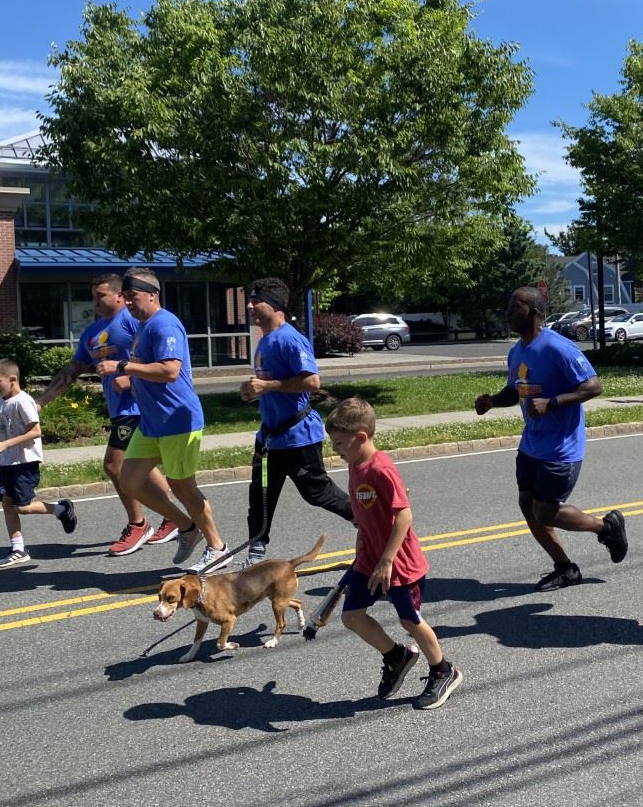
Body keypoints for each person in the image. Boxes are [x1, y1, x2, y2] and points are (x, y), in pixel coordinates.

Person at [474, 286, 628, 591]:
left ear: (532, 311)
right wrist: (492, 401)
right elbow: (513, 390)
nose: (507, 312)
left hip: (561, 448)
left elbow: (593, 387)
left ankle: (607, 527)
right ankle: (565, 568)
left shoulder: (559, 347)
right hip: (531, 444)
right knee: (526, 504)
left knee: (545, 511)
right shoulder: (517, 351)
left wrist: (552, 402)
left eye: (513, 307)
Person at [325, 397, 463, 710]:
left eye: (340, 443)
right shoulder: (355, 464)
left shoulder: (380, 469)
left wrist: (387, 560)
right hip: (369, 559)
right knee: (352, 616)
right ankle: (395, 656)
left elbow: (404, 516)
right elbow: (366, 511)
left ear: (361, 437)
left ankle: (444, 670)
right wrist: (362, 540)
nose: (336, 450)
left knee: (410, 621)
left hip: (398, 563)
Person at [94, 267, 227, 573]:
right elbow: (150, 370)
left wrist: (123, 366)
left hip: (177, 420)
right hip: (152, 423)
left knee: (183, 488)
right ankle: (186, 526)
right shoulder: (143, 327)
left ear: (152, 295)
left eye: (133, 296)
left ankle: (218, 547)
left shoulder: (164, 323)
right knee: (129, 481)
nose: (127, 302)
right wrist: (132, 380)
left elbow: (169, 370)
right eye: (124, 297)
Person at [37, 273, 181, 556]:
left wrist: (130, 377)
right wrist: (42, 401)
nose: (95, 301)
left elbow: (160, 359)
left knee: (114, 466)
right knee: (144, 467)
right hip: (119, 410)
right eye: (93, 296)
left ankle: (138, 524)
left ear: (119, 295)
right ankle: (174, 518)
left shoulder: (133, 322)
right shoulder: (92, 333)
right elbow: (72, 370)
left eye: (101, 295)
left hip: (137, 408)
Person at [236, 277, 352, 567]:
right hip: (270, 440)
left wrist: (269, 386)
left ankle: (364, 518)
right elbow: (270, 383)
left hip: (298, 438)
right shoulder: (264, 341)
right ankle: (256, 554)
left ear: (274, 306)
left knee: (318, 493)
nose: (250, 305)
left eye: (256, 300)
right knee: (261, 495)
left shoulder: (289, 339)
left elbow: (312, 382)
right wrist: (253, 390)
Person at [0, 359, 77, 568]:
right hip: (7, 461)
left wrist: (5, 444)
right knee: (7, 503)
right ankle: (18, 549)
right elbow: (3, 429)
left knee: (23, 507)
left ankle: (61, 509)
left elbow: (35, 431)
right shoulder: (0, 402)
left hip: (25, 461)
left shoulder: (23, 401)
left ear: (13, 379)